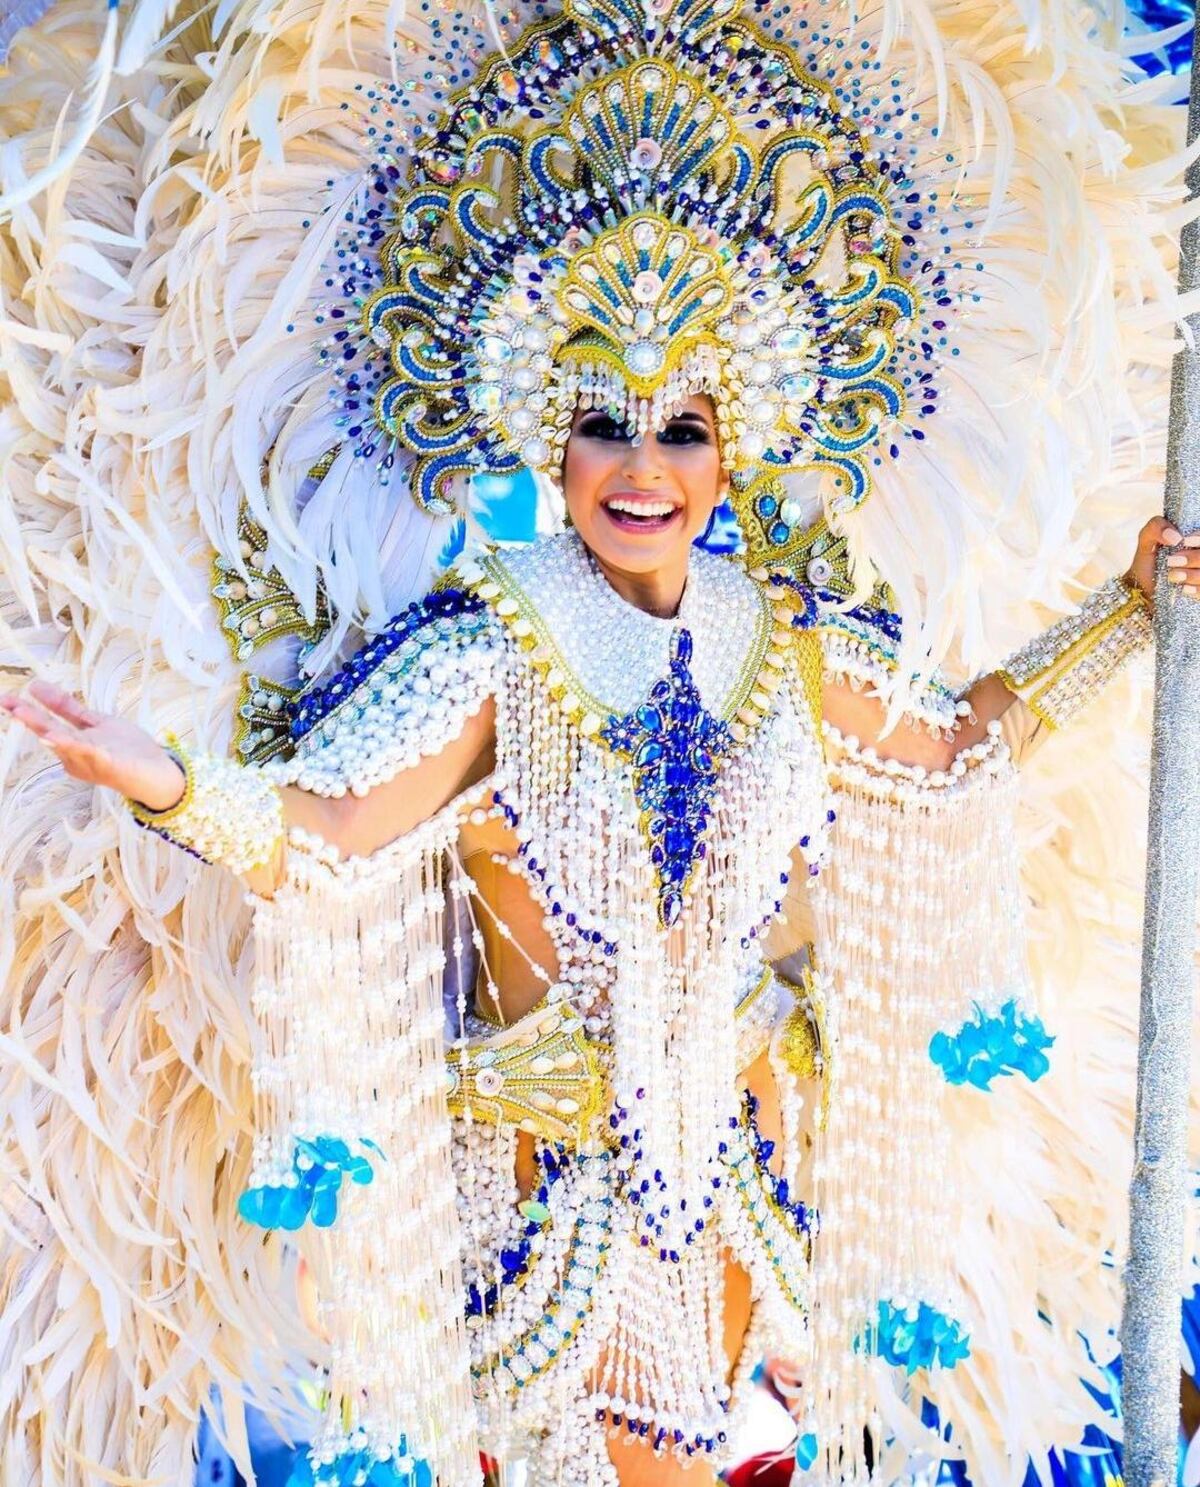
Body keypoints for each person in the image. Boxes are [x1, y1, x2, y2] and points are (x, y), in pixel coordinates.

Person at [0, 0, 1196, 1484]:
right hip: (549, 1185)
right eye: (602, 424)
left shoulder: (789, 639)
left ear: (733, 447)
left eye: (681, 428)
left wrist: (1130, 616)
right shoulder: (485, 645)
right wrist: (165, 784)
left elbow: (954, 750)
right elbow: (331, 835)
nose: (642, 468)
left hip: (744, 1166)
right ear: (545, 438)